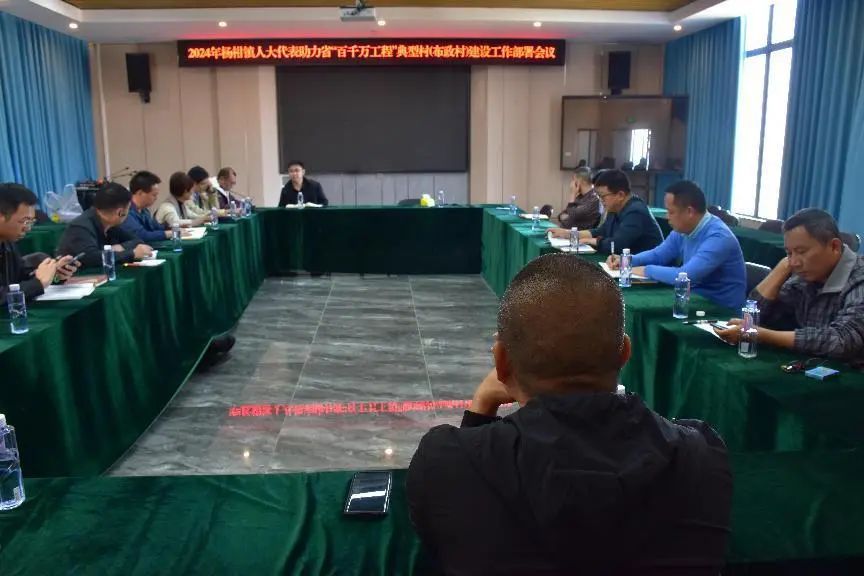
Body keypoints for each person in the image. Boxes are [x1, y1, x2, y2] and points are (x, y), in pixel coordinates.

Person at [407, 254, 732, 575]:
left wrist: (482, 407)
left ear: (502, 363)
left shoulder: (445, 462)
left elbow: (442, 531)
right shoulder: (701, 455)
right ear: (625, 353)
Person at [715, 209, 864, 364]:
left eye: (801, 251)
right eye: (789, 253)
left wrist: (762, 335)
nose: (794, 262)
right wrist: (780, 270)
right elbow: (755, 317)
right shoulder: (803, 274)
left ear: (834, 246)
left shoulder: (859, 277)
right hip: (811, 364)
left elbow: (843, 341)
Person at [607, 180, 746, 310]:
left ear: (689, 211)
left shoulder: (718, 237)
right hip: (693, 301)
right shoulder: (684, 229)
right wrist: (627, 260)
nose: (667, 217)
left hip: (721, 311)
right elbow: (659, 254)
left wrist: (645, 270)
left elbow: (686, 276)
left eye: (671, 212)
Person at [548, 169, 663, 255]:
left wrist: (589, 241)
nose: (601, 201)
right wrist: (569, 234)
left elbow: (617, 245)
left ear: (620, 195)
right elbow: (602, 231)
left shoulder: (636, 211)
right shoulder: (615, 207)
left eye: (602, 196)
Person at [0, 183, 79, 302]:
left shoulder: (7, 242)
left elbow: (18, 278)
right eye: (24, 221)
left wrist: (53, 274)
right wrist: (39, 283)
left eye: (31, 222)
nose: (28, 228)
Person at [57, 182, 153, 268]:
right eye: (128, 209)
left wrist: (117, 248)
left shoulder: (110, 224)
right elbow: (91, 258)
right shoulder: (81, 227)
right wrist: (132, 254)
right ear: (120, 212)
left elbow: (137, 241)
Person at [120, 171, 172, 243]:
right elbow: (142, 236)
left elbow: (156, 227)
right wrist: (170, 233)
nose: (156, 198)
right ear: (140, 193)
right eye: (154, 195)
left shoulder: (144, 210)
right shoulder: (126, 211)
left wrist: (175, 228)